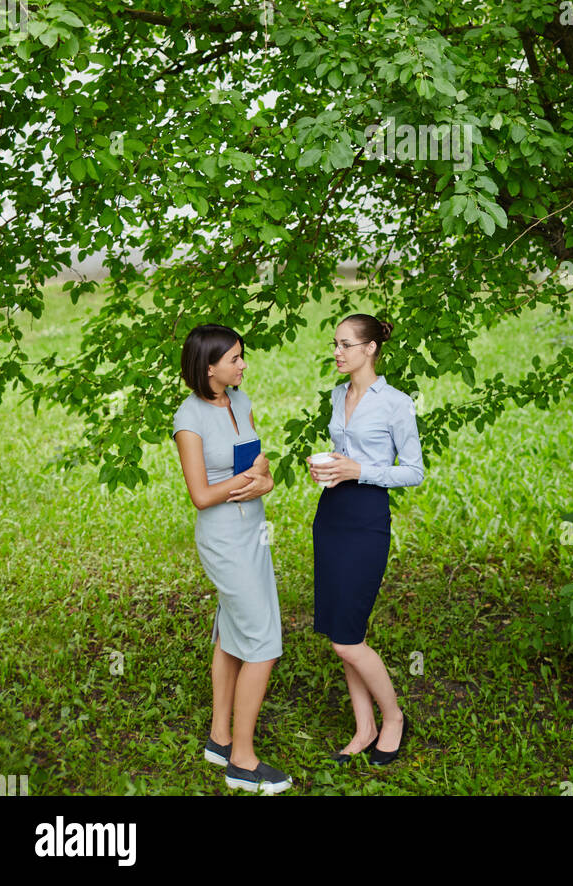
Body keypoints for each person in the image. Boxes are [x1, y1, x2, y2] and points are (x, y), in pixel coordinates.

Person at [172, 323, 291, 795]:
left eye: (242, 356)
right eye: (236, 359)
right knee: (263, 642)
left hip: (254, 529)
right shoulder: (189, 419)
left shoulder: (239, 400)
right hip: (222, 537)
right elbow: (201, 495)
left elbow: (260, 462)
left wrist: (263, 481)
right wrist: (247, 483)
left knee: (229, 630)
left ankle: (220, 738)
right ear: (209, 367)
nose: (243, 365)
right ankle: (242, 762)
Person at [307, 314, 424, 767]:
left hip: (367, 519)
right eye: (335, 343)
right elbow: (346, 454)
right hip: (332, 513)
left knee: (347, 640)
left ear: (371, 349)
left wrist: (359, 471)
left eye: (346, 344)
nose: (338, 352)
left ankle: (393, 719)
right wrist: (332, 467)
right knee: (342, 631)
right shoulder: (339, 394)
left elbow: (413, 471)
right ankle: (364, 727)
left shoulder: (396, 403)